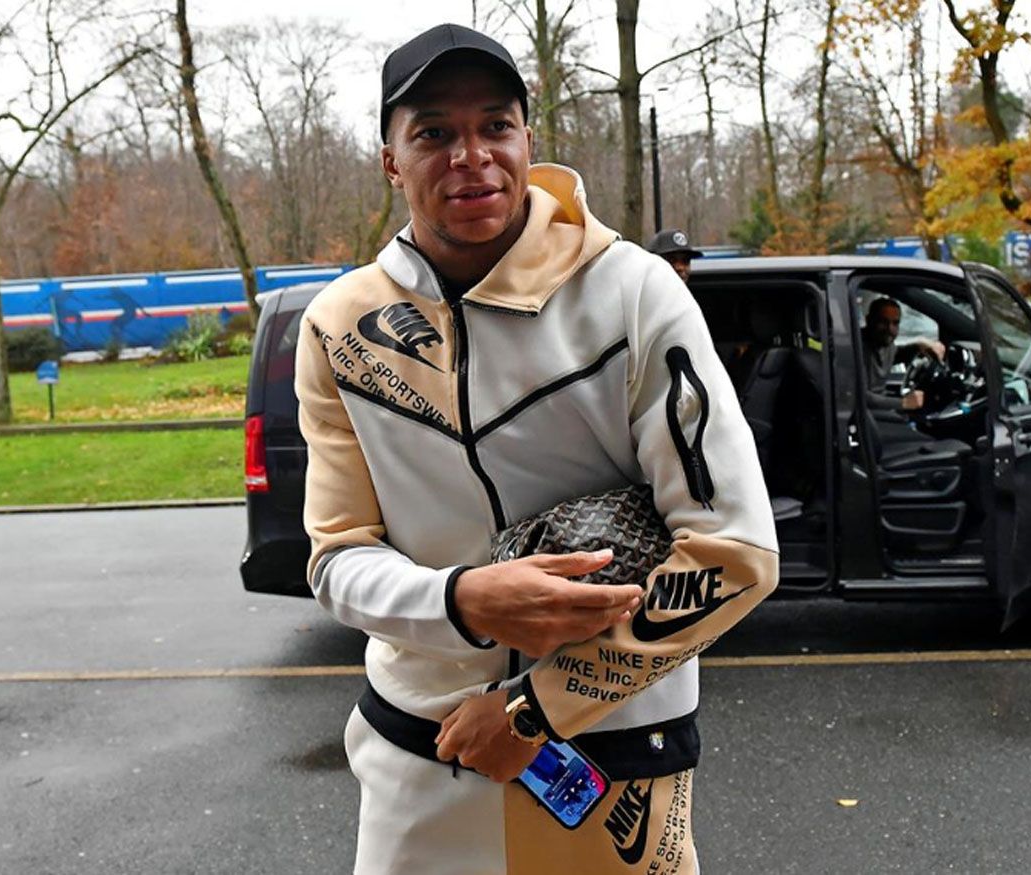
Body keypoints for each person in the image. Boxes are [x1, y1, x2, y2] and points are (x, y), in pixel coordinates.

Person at [295, 23, 778, 875]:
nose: (471, 155)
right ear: (391, 160)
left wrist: (529, 710)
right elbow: (336, 560)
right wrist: (462, 600)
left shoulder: (631, 291)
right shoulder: (339, 324)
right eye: (434, 132)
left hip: (608, 759)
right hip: (420, 754)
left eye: (496, 125)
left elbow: (738, 552)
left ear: (527, 138)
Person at [861, 296, 945, 414]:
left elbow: (895, 356)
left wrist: (919, 345)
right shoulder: (856, 347)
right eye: (883, 322)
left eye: (895, 323)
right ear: (868, 320)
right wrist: (904, 403)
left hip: (879, 408)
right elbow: (859, 396)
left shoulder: (886, 343)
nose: (890, 329)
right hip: (866, 414)